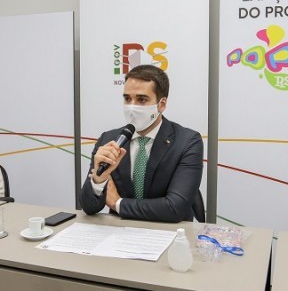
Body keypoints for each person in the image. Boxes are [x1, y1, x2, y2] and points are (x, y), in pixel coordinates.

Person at [80, 65, 203, 222]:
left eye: (142, 100)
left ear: (162, 104)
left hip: (169, 231)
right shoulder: (109, 140)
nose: (132, 107)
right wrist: (98, 181)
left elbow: (174, 208)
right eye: (127, 99)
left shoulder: (187, 141)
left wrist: (118, 203)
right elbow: (89, 207)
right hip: (120, 231)